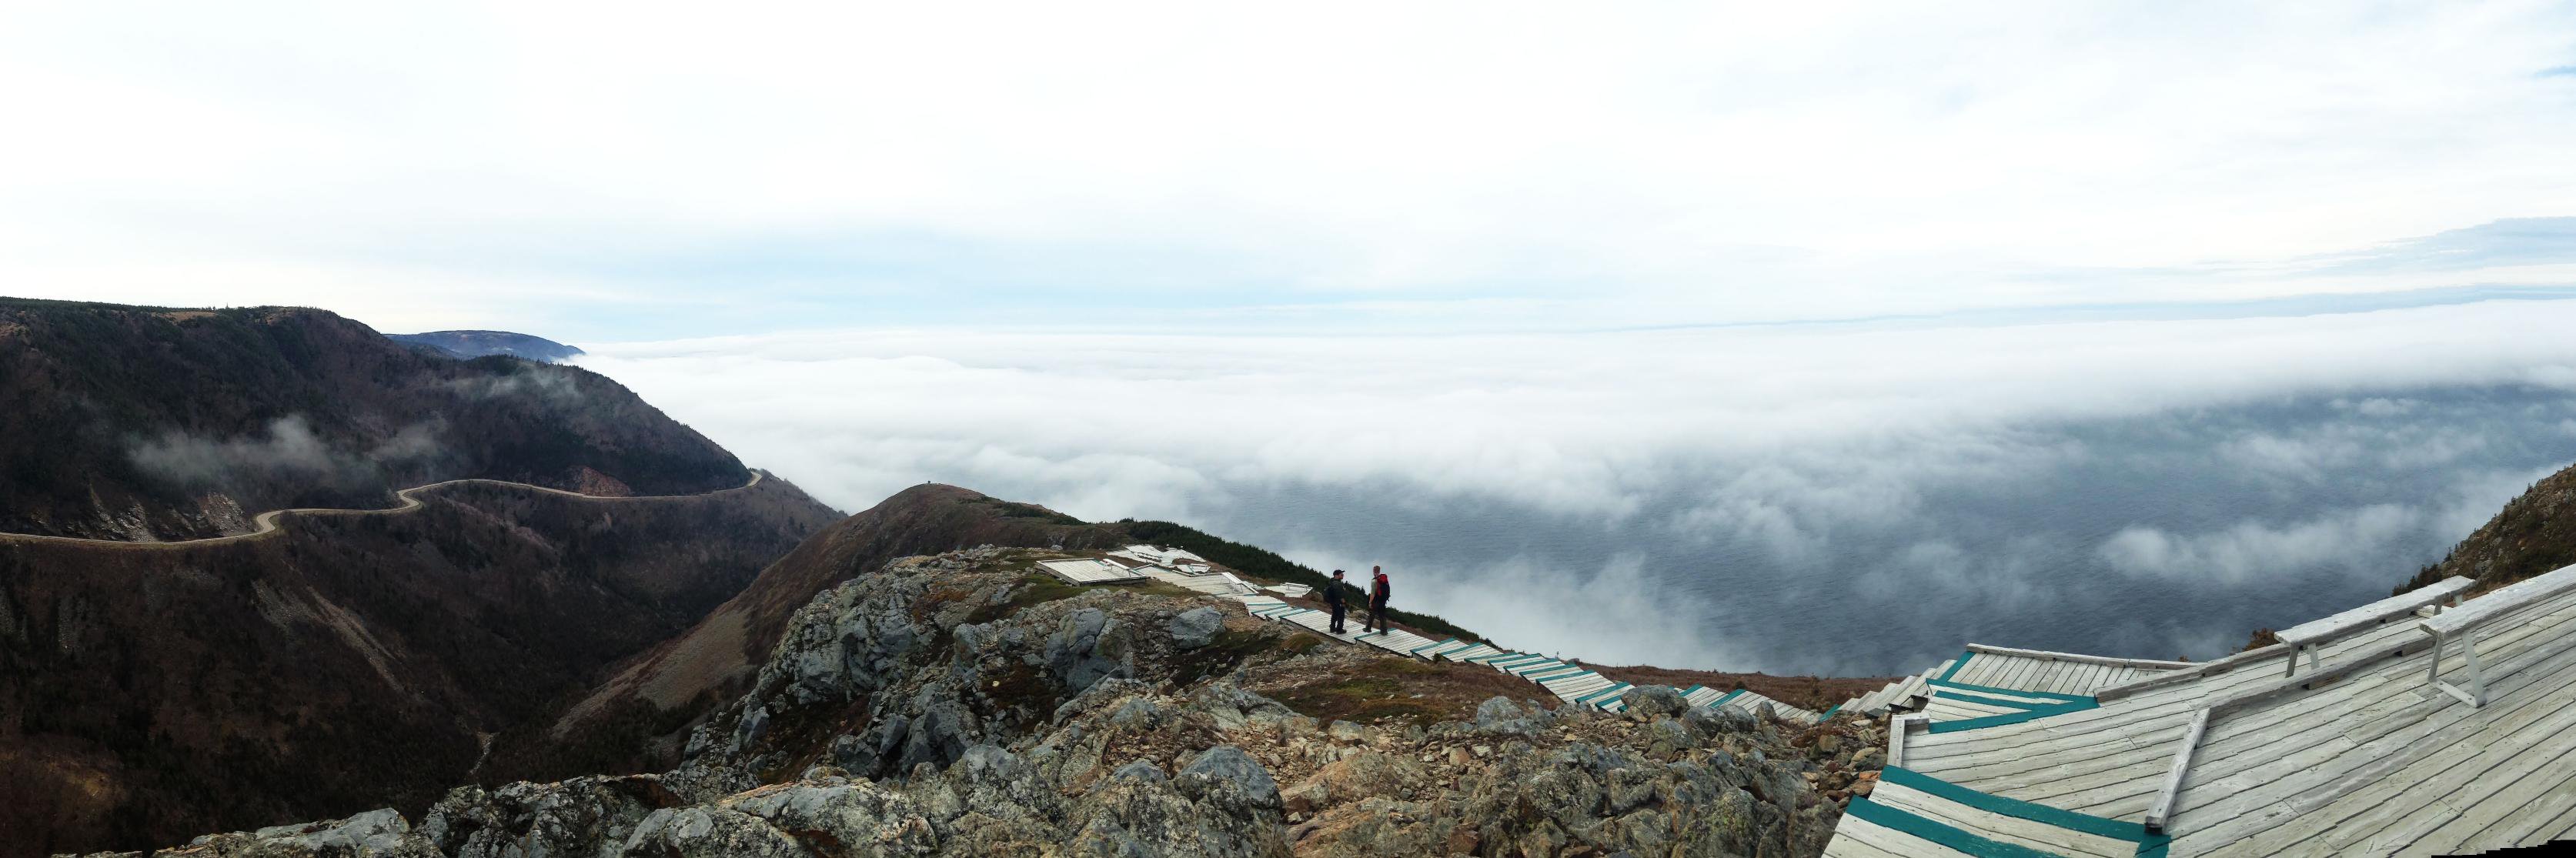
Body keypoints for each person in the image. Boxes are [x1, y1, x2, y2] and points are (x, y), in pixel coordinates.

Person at [1367, 566, 1392, 635]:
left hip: (1376, 600)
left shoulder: (1374, 581)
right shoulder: (1384, 579)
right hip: (1383, 600)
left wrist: (1370, 602)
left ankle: (1368, 628)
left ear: (1374, 571)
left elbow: (1373, 593)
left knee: (1372, 614)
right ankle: (1384, 631)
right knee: (1382, 616)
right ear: (1379, 571)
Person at [1325, 569, 1350, 634]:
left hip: (1333, 602)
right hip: (1338, 602)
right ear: (1336, 575)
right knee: (1341, 615)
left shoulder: (1332, 582)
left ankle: (1332, 628)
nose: (1343, 575)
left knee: (1335, 614)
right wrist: (1344, 602)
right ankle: (1339, 630)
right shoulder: (1337, 584)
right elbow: (1340, 595)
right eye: (1341, 574)